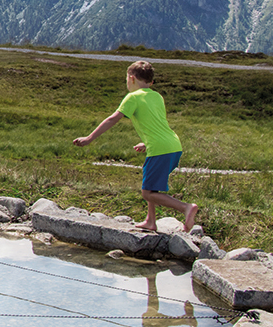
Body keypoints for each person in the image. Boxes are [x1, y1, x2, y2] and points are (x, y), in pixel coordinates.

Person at [73, 59, 198, 232]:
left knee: (147, 193)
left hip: (160, 149)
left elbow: (113, 119)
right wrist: (146, 143)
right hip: (173, 145)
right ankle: (150, 221)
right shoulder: (157, 96)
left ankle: (185, 208)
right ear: (151, 81)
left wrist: (89, 138)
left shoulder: (132, 97)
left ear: (131, 78)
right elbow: (156, 124)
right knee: (150, 186)